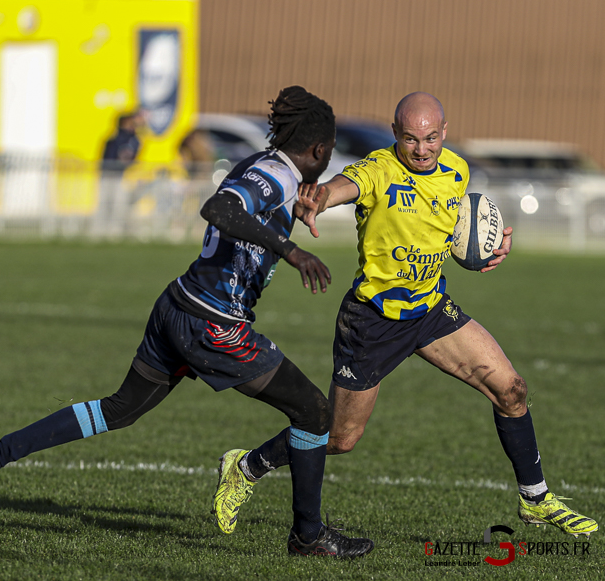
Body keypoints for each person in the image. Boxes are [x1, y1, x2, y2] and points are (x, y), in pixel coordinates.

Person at [0, 86, 374, 558]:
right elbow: (219, 209)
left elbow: (244, 205)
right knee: (314, 412)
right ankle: (308, 537)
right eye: (330, 152)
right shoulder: (276, 175)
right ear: (318, 149)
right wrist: (290, 250)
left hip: (177, 305)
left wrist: (287, 216)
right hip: (214, 324)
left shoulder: (264, 165)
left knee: (119, 409)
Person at [216, 92, 598, 538]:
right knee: (339, 438)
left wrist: (489, 248)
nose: (422, 149)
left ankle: (535, 499)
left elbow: (451, 230)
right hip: (372, 322)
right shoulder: (380, 169)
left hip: (431, 310)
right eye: (411, 139)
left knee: (511, 390)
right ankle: (246, 466)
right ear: (395, 133)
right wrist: (318, 198)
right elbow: (345, 185)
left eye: (431, 138)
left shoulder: (457, 171)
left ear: (445, 132)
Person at [94, 111, 143, 236]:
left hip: (120, 176)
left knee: (118, 204)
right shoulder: (114, 139)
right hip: (108, 175)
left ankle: (115, 231)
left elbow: (130, 158)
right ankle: (101, 230)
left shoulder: (133, 140)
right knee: (105, 202)